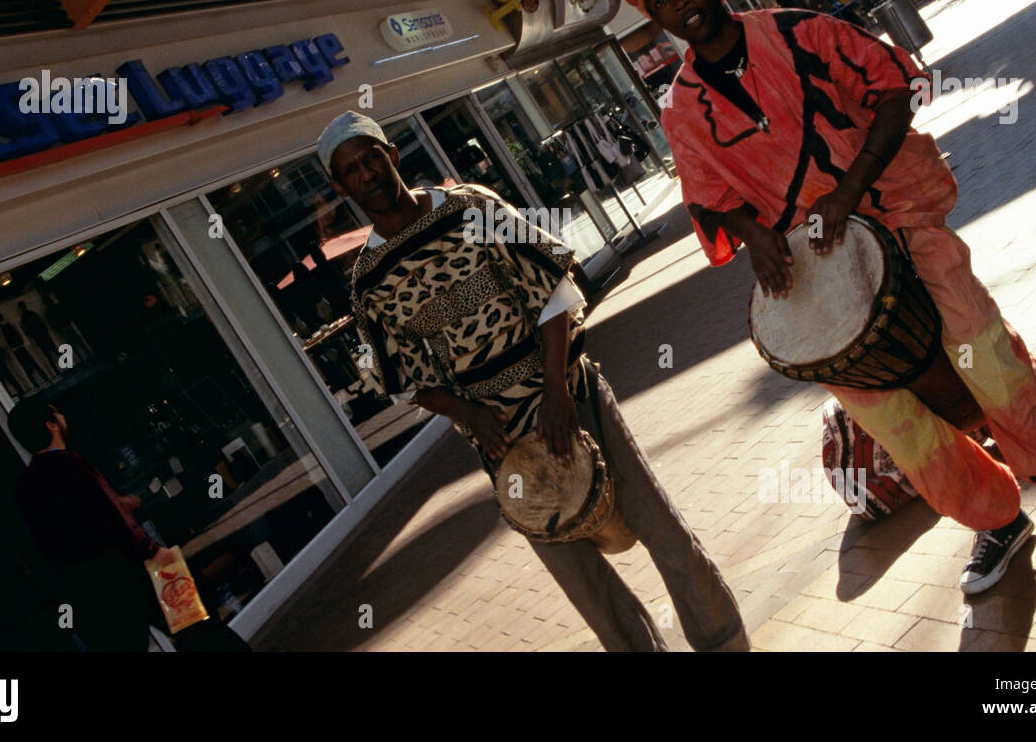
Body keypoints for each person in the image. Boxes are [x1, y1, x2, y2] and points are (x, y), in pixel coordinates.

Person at [620, 0, 1036, 596]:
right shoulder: (683, 109)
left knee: (984, 353)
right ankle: (996, 520)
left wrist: (850, 187)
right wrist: (755, 233)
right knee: (891, 417)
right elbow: (708, 200)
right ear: (655, 19)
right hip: (818, 276)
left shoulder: (799, 31)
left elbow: (894, 88)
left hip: (899, 219)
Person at [321, 110, 749, 651]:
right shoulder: (368, 283)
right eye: (352, 169)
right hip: (501, 442)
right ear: (340, 187)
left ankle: (725, 642)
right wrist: (469, 414)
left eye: (372, 157)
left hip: (570, 396)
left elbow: (554, 289)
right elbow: (403, 380)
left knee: (661, 530)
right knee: (585, 586)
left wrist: (555, 393)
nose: (368, 174)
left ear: (393, 156)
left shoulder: (469, 207)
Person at [11, 400, 250, 651]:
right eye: (58, 414)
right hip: (134, 567)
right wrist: (154, 551)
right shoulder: (71, 462)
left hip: (92, 586)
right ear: (51, 426)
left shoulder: (26, 486)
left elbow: (66, 525)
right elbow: (110, 517)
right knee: (201, 628)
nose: (63, 417)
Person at [17, 300, 61, 375]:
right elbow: (42, 323)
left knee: (48, 356)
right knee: (55, 351)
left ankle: (57, 371)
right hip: (44, 335)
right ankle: (68, 365)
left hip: (38, 338)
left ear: (20, 309)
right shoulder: (33, 314)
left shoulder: (23, 319)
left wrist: (33, 337)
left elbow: (26, 332)